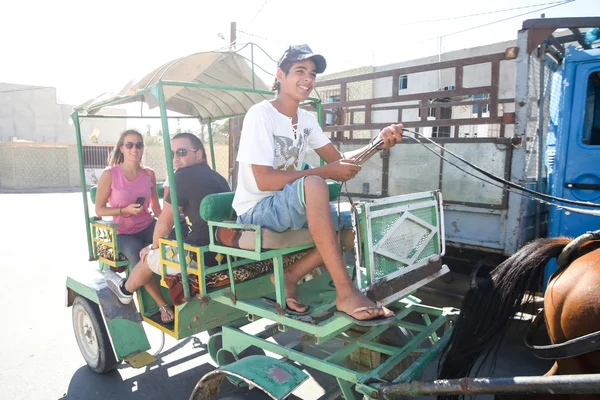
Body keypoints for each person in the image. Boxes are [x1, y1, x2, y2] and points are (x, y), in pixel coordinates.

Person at [229, 44, 403, 326]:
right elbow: (263, 179)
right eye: (300, 71)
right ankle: (346, 293)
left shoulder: (307, 120)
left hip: (288, 204)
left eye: (312, 74)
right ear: (280, 76)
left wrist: (378, 142)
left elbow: (340, 162)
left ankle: (290, 276)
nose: (308, 79)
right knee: (314, 182)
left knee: (352, 227)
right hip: (257, 211)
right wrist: (325, 172)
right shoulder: (261, 115)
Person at [105, 133, 230, 323]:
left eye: (182, 152)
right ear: (122, 148)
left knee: (148, 256)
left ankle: (125, 290)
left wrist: (153, 247)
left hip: (197, 259)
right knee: (161, 243)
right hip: (222, 253)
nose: (176, 158)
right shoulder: (218, 177)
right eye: (172, 154)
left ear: (199, 154)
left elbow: (164, 221)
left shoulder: (181, 176)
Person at [95, 129, 161, 268]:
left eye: (139, 145)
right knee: (138, 256)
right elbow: (99, 210)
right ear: (121, 148)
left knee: (172, 246)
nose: (134, 149)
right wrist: (124, 210)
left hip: (148, 226)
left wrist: (172, 222)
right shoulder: (109, 174)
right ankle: (143, 289)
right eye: (129, 145)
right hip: (123, 233)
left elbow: (155, 207)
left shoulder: (149, 174)